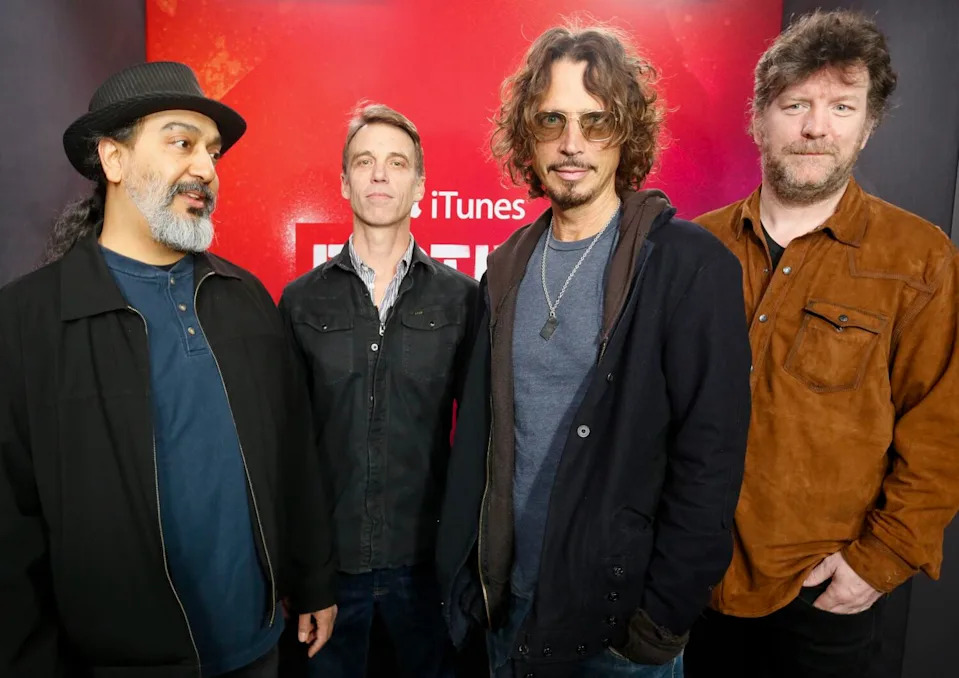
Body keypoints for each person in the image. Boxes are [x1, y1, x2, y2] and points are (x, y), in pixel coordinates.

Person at [435, 22, 752, 677]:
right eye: (551, 120)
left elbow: (711, 461)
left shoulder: (687, 265)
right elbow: (484, 441)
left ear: (627, 132)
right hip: (511, 614)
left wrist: (658, 621)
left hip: (618, 631)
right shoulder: (504, 268)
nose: (571, 143)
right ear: (525, 132)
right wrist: (472, 585)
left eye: (596, 121)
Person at [0, 61, 337, 677]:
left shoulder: (247, 299)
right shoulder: (25, 322)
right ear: (114, 160)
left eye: (212, 152)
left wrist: (312, 579)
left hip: (259, 650)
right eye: (182, 142)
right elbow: (10, 532)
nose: (206, 169)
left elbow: (293, 454)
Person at [685, 11, 959, 677]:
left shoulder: (918, 257)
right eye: (795, 105)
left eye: (841, 106)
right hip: (684, 587)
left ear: (866, 127)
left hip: (820, 592)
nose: (815, 127)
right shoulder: (691, 248)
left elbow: (940, 427)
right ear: (758, 119)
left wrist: (877, 561)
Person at [279, 103, 477, 678]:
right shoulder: (300, 301)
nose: (380, 175)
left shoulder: (462, 300)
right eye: (364, 162)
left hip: (428, 572)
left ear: (420, 184)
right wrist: (305, 572)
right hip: (329, 576)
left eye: (397, 163)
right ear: (344, 183)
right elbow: (287, 449)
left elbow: (482, 445)